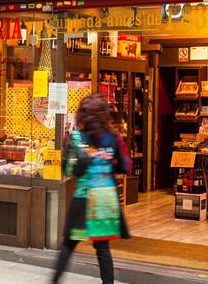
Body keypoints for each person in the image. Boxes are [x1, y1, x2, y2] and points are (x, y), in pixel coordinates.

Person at [51, 94, 131, 284]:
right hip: (105, 200)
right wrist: (110, 162)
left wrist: (83, 162)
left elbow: (69, 170)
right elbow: (126, 167)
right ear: (104, 114)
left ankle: (53, 282)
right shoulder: (114, 138)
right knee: (103, 248)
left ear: (83, 115)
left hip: (83, 198)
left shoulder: (77, 138)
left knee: (69, 244)